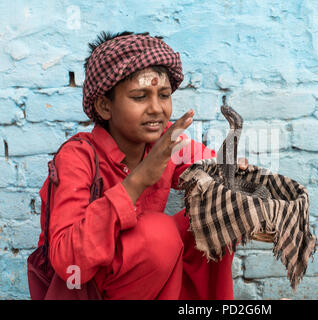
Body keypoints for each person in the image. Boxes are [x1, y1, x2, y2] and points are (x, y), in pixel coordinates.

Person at [36, 31, 247, 300]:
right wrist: (137, 182)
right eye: (139, 97)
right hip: (83, 290)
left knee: (218, 214)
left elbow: (207, 168)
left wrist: (231, 176)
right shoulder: (77, 158)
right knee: (159, 234)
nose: (157, 109)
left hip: (145, 285)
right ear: (104, 106)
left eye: (164, 95)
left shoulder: (165, 141)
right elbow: (68, 262)